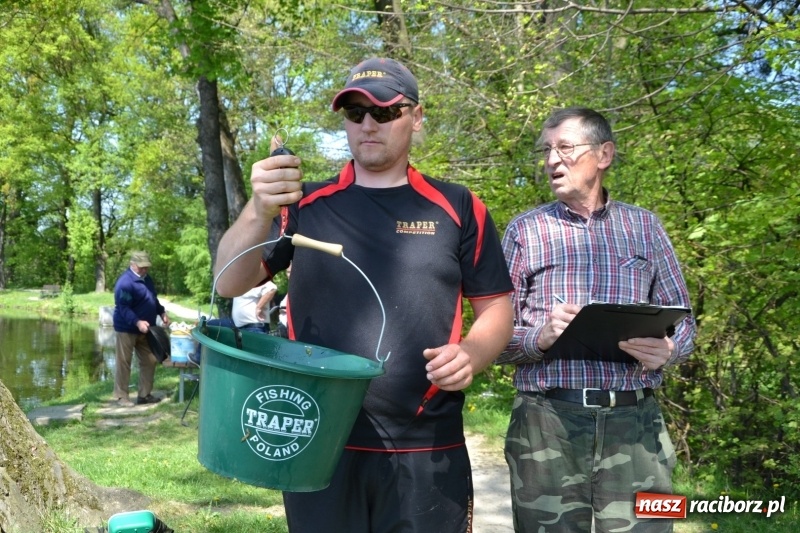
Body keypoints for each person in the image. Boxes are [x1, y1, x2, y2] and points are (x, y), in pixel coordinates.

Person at [214, 57, 514, 533]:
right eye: (355, 113)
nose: (368, 124)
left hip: (427, 444)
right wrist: (257, 209)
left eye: (385, 112)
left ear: (416, 118)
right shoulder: (304, 206)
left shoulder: (459, 207)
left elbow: (497, 307)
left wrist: (472, 354)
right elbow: (229, 281)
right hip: (318, 440)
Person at [497, 107, 697, 533]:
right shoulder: (523, 231)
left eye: (565, 148)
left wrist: (670, 349)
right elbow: (492, 338)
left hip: (637, 427)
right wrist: (540, 337)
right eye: (546, 150)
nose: (552, 160)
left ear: (604, 154)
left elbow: (683, 319)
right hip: (546, 426)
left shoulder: (645, 228)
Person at [112, 250, 171, 406]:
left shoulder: (147, 279)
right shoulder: (125, 282)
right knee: (124, 362)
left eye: (147, 267)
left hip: (147, 329)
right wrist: (137, 322)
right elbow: (123, 308)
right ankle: (121, 396)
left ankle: (144, 395)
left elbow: (152, 299)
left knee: (149, 360)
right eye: (142, 267)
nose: (145, 270)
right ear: (132, 264)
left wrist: (162, 312)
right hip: (126, 328)